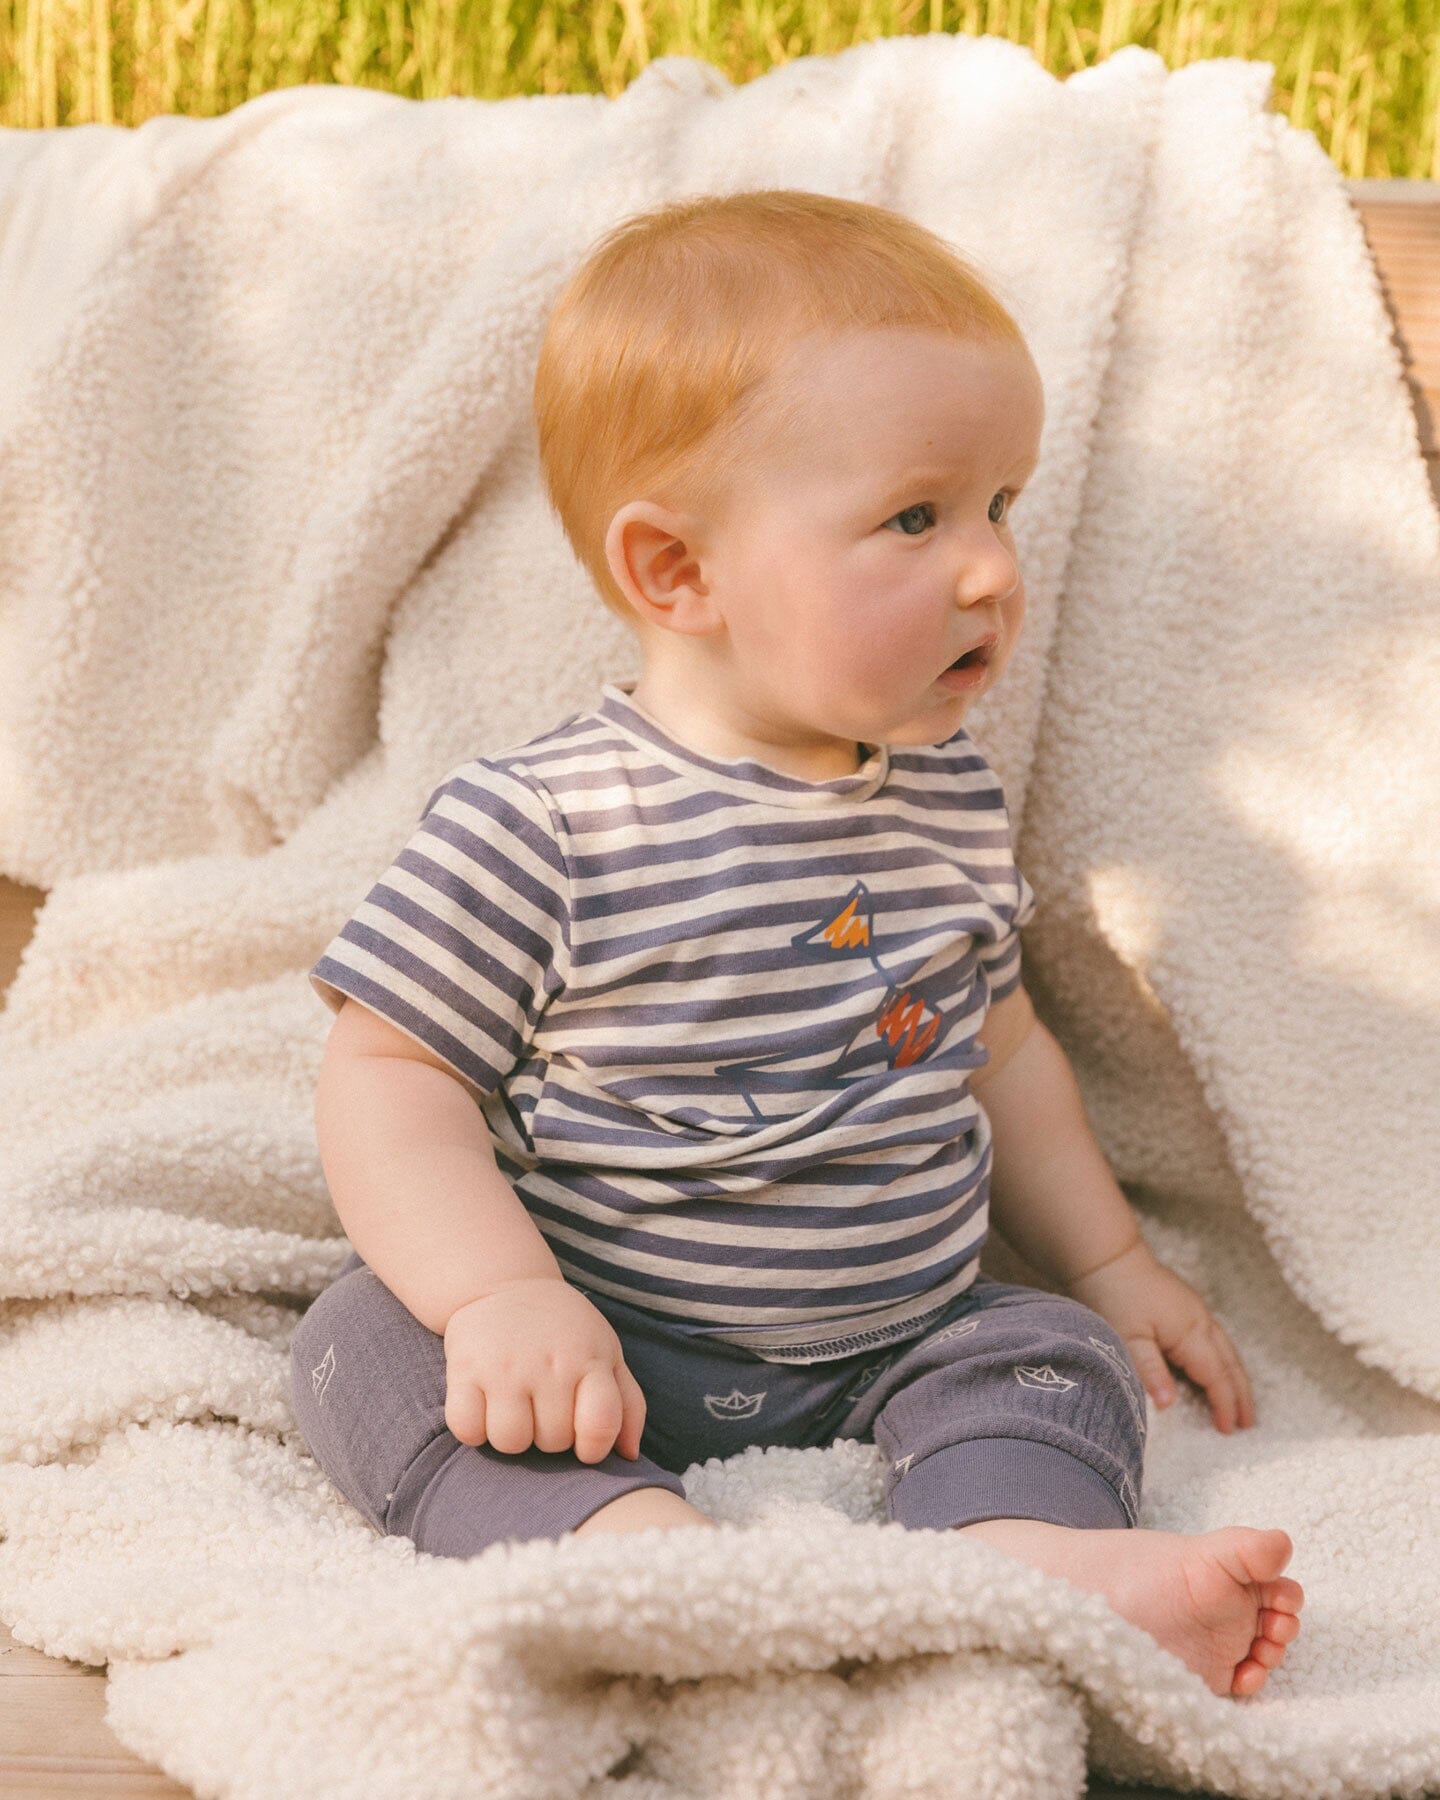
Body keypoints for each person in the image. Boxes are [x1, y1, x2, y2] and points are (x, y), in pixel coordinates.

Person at [290, 190, 1303, 1700]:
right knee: (360, 1344)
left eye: (1001, 507)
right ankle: (619, 1546)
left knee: (1043, 1356)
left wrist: (1108, 1259)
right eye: (916, 517)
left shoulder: (949, 798)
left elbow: (1002, 1052)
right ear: (677, 575)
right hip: (597, 1330)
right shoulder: (545, 821)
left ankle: (1021, 1553)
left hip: (895, 1331)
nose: (990, 571)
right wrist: (501, 1293)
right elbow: (387, 1076)